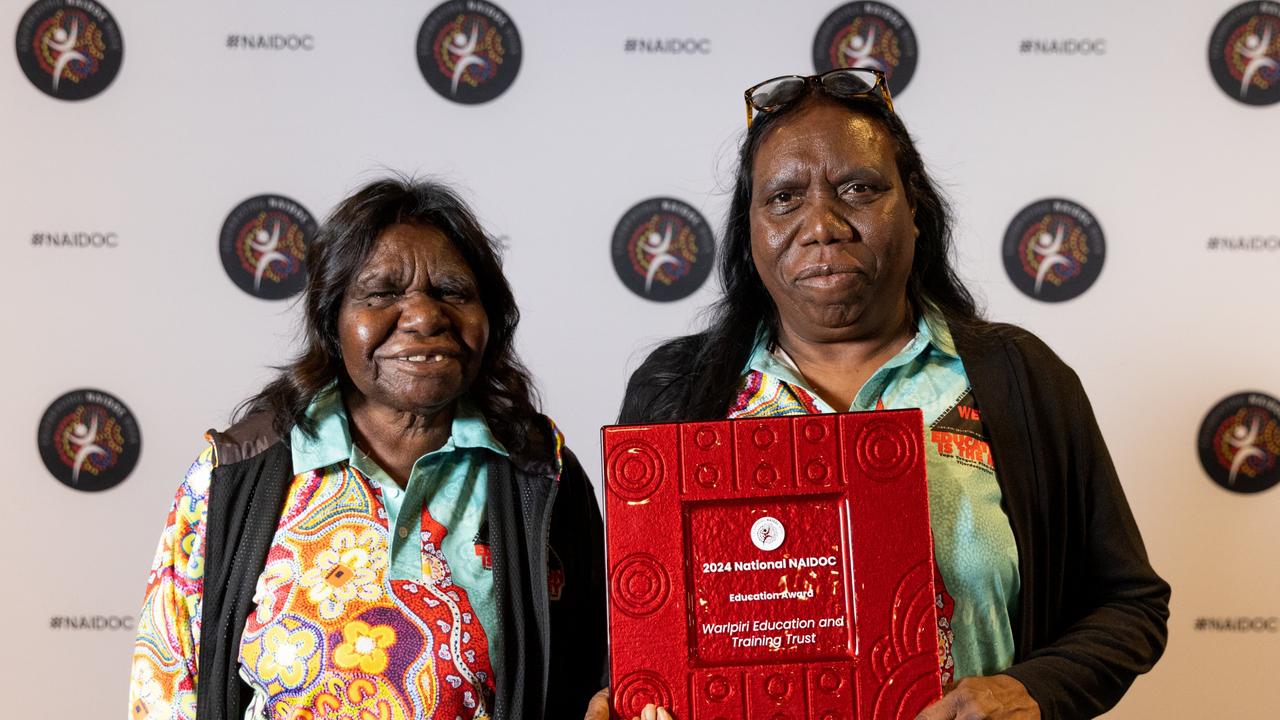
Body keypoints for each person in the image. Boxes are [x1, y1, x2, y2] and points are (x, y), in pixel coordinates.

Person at [609, 69, 1170, 720]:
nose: (822, 224)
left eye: (859, 188)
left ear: (915, 212)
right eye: (784, 198)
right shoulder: (677, 393)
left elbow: (1130, 602)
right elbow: (639, 628)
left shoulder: (1018, 378)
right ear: (751, 232)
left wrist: (1033, 690)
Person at [129, 178, 606, 720]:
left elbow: (586, 678)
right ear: (333, 322)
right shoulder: (235, 475)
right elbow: (166, 692)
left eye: (453, 292)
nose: (425, 316)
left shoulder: (541, 473)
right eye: (381, 293)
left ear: (490, 320)